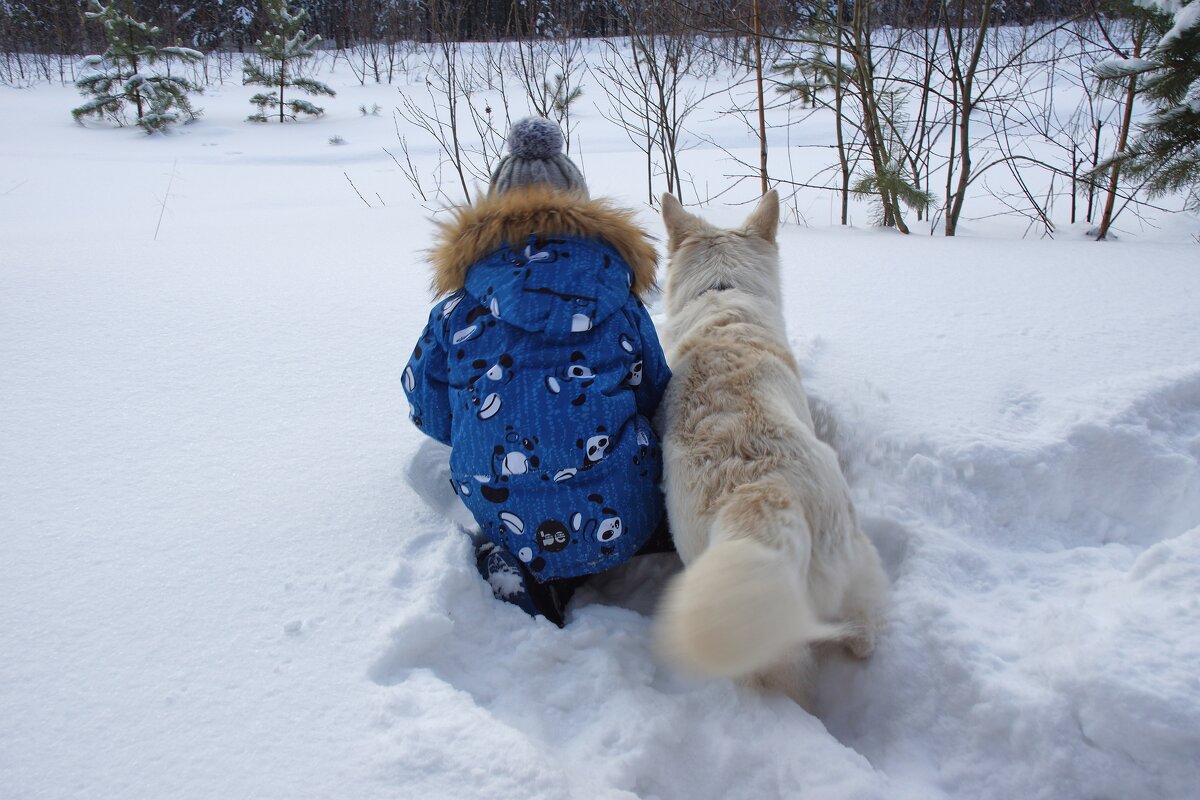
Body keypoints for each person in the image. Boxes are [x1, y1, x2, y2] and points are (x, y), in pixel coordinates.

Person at [403, 117, 672, 626]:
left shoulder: (454, 312)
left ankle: (504, 557)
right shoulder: (622, 305)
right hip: (625, 513)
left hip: (507, 514)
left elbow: (426, 406)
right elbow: (656, 393)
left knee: (448, 457)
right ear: (583, 211)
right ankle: (650, 534)